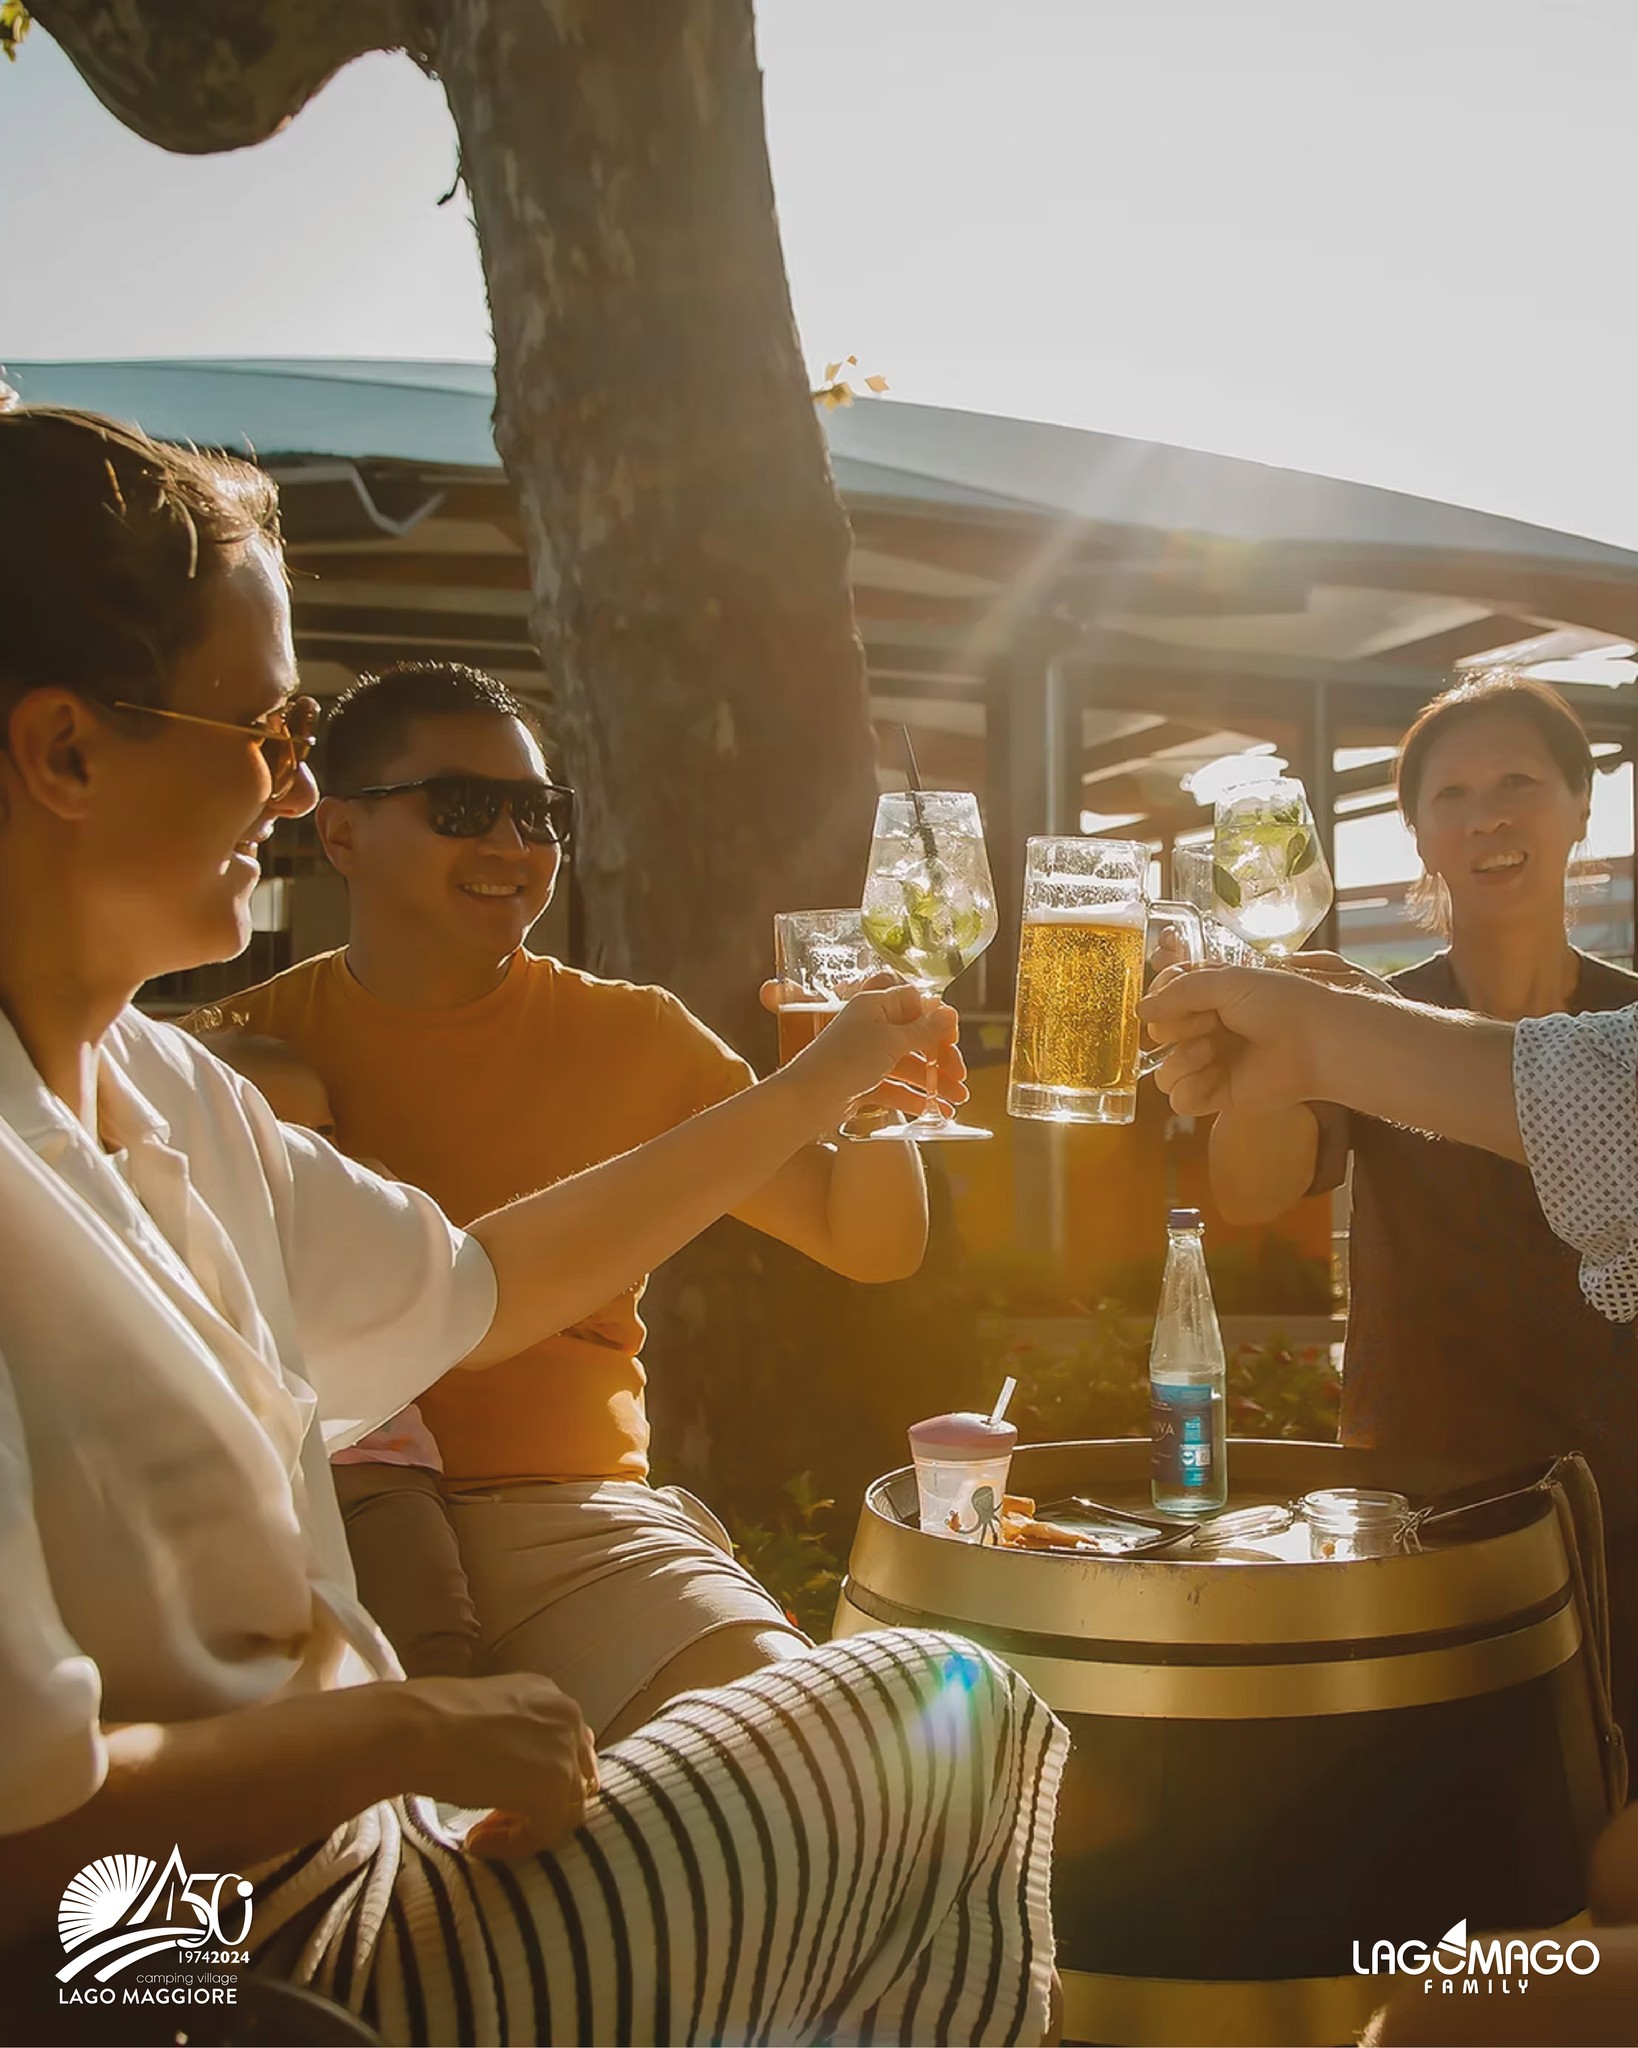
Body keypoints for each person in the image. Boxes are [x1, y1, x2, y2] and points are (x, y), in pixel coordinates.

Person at [0, 400, 1067, 2046]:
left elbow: (480, 1281)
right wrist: (402, 1736)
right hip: (217, 1954)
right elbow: (30, 1853)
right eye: (262, 733)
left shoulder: (168, 1086)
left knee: (867, 1717)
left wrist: (829, 1083)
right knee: (959, 1709)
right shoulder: (226, 1061)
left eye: (536, 816)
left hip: (396, 1764)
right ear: (66, 749)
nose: (284, 791)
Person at [193, 660, 939, 1740]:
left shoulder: (632, 1034)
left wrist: (871, 1098)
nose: (511, 844)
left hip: (572, 1512)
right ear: (341, 833)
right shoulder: (234, 1057)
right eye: (462, 807)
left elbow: (869, 1242)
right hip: (311, 1512)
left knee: (798, 1728)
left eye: (538, 812)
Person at [1200, 671, 1638, 1738]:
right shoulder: (1371, 1020)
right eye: (1452, 794)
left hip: (1627, 1493)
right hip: (1430, 1496)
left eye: (1519, 781)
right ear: (1419, 837)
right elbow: (1248, 1194)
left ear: (1583, 808)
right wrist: (1269, 1050)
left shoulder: (1627, 1036)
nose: (1487, 813)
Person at [207, 1035, 482, 1681]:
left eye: (325, 1133)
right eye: (287, 1139)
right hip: (266, 1480)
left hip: (381, 1468)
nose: (319, 1158)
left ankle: (446, 1753)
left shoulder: (372, 1204)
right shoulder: (197, 1222)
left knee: (435, 1631)